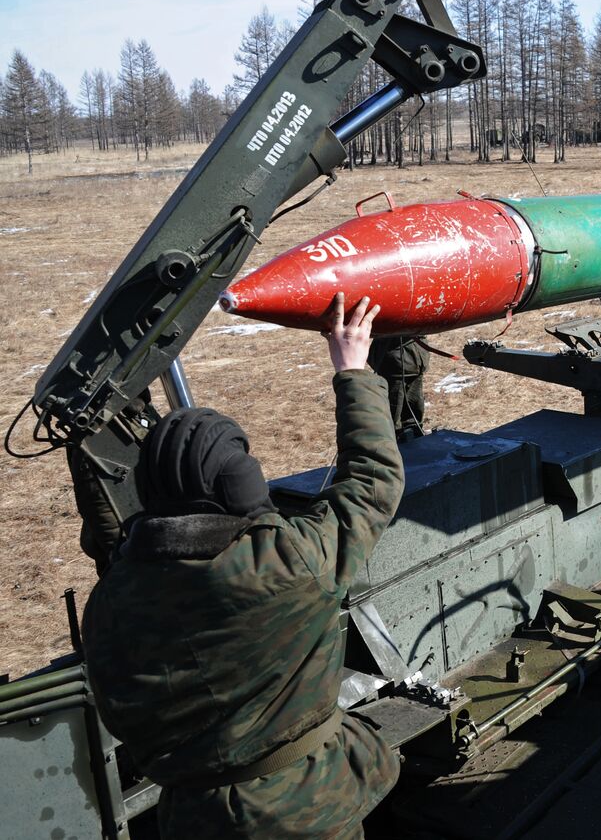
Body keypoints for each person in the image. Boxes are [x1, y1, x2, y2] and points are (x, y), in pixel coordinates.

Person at [82, 293, 405, 839]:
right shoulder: (290, 562)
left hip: (194, 820)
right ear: (241, 484)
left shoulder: (111, 602)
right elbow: (374, 480)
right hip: (309, 809)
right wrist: (352, 370)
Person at [66, 392, 159, 575]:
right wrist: (124, 563)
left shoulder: (134, 414)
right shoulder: (99, 437)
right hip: (133, 557)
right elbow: (103, 514)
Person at [368, 335, 429, 441]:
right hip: (394, 361)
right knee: (394, 409)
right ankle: (392, 441)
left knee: (414, 404)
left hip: (415, 358)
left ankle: (413, 436)